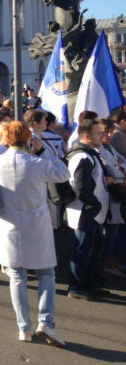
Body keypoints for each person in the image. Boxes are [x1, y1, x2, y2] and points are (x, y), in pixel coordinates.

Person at [0, 121, 69, 346]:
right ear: (27, 139)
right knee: (46, 274)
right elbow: (63, 173)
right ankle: (46, 322)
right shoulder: (37, 163)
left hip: (9, 226)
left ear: (5, 139)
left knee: (17, 277)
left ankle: (23, 327)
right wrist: (43, 149)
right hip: (36, 225)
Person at [66, 118, 113, 300]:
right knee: (82, 249)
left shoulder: (91, 154)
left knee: (92, 249)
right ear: (87, 136)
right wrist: (93, 205)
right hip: (85, 212)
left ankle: (89, 284)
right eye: (99, 133)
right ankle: (76, 287)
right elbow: (81, 187)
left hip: (93, 212)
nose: (103, 136)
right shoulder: (82, 157)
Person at [100, 119, 126, 277]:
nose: (108, 135)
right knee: (110, 230)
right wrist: (119, 168)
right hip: (109, 195)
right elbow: (112, 170)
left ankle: (112, 259)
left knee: (116, 229)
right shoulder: (99, 150)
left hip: (117, 193)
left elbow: (122, 165)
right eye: (104, 132)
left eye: (110, 132)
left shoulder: (109, 148)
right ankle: (108, 262)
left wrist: (120, 167)